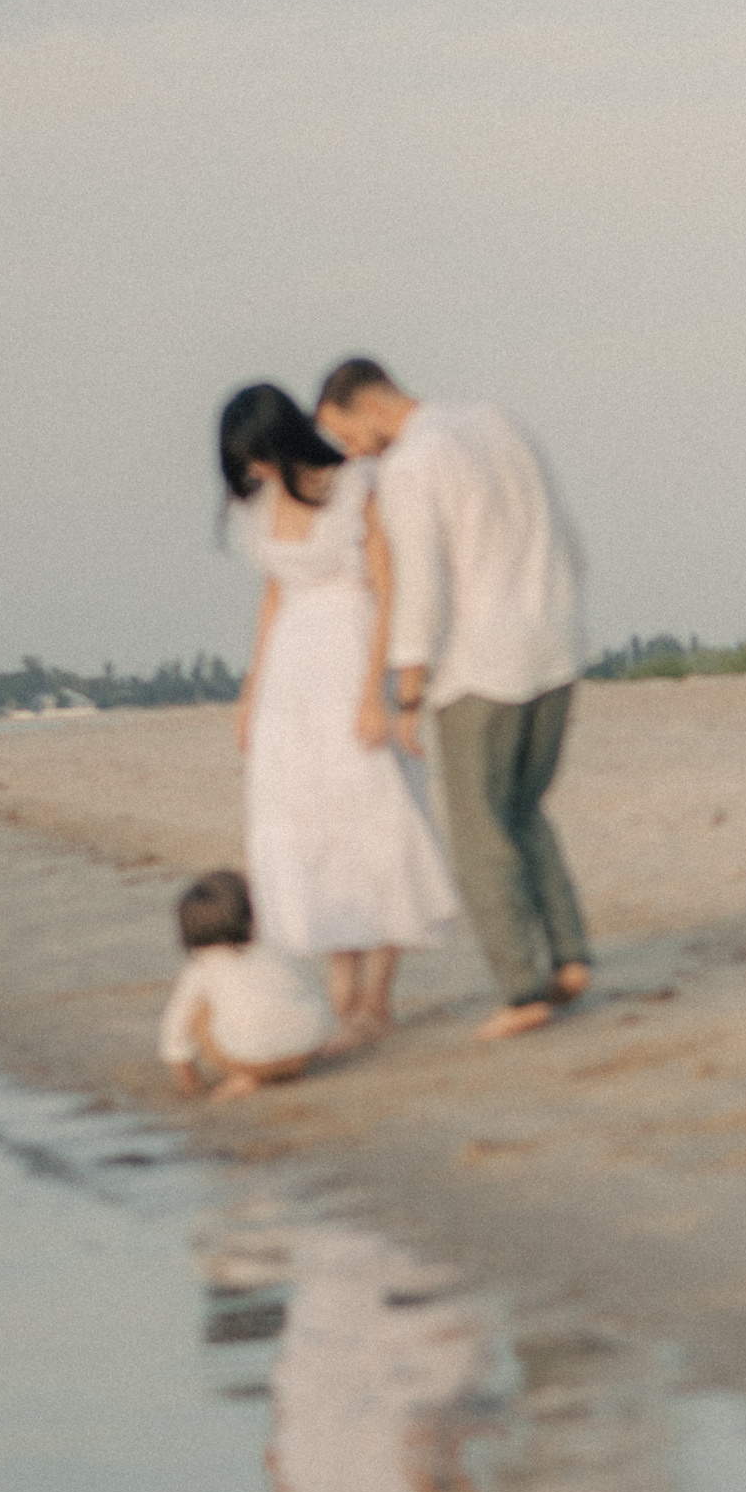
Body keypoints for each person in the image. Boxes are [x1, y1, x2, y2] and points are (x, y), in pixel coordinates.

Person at [313, 358, 591, 1041]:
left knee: (478, 829)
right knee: (525, 809)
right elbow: (564, 534)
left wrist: (409, 688)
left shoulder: (410, 465)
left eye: (345, 435)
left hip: (480, 662)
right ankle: (570, 956)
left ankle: (522, 989)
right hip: (555, 643)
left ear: (369, 406)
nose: (350, 453)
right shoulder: (499, 421)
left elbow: (422, 582)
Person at [217, 379, 458, 1041]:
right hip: (291, 673)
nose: (254, 471)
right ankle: (341, 991)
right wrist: (250, 693)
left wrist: (375, 693)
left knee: (376, 814)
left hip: (354, 650)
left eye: (258, 455)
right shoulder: (262, 504)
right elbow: (273, 598)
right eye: (244, 463)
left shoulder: (357, 485)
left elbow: (387, 586)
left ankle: (378, 996)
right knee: (305, 824)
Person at [158, 868, 333, 1101]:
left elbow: (176, 1025)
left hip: (248, 1058)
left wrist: (187, 1079)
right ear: (250, 915)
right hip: (307, 1048)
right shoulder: (276, 949)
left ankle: (245, 1075)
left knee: (199, 1011)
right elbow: (313, 989)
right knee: (281, 997)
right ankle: (286, 1071)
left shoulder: (202, 966)